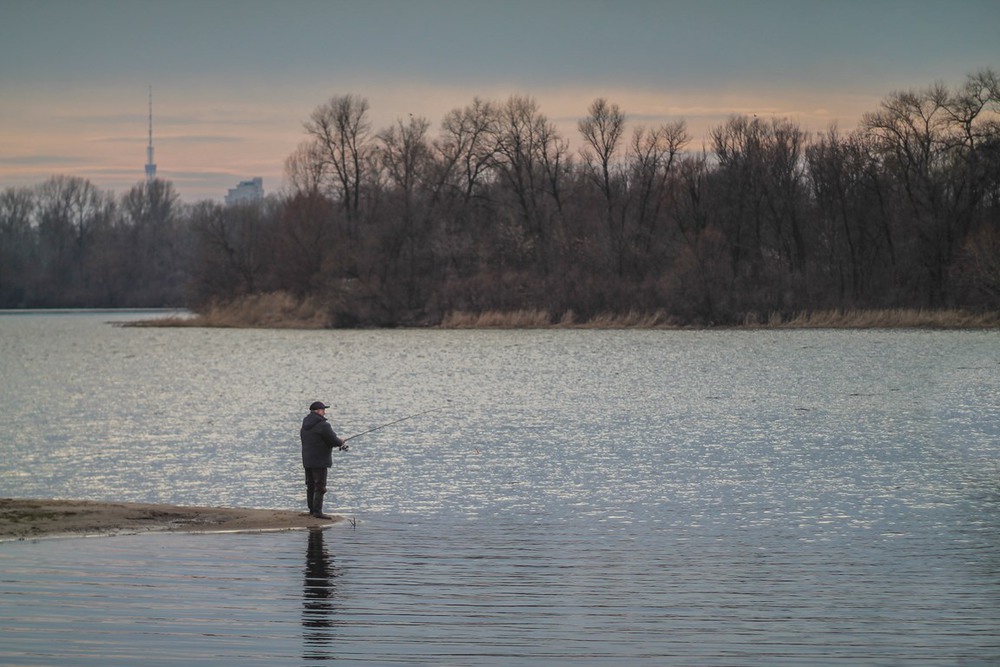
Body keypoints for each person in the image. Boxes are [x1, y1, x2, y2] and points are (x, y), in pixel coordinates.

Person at [300, 401, 348, 519]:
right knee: (320, 485)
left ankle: (312, 510)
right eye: (323, 410)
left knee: (310, 484)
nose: (324, 412)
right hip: (320, 460)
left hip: (307, 460)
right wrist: (340, 442)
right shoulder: (323, 425)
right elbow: (333, 440)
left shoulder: (305, 424)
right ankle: (318, 512)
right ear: (317, 411)